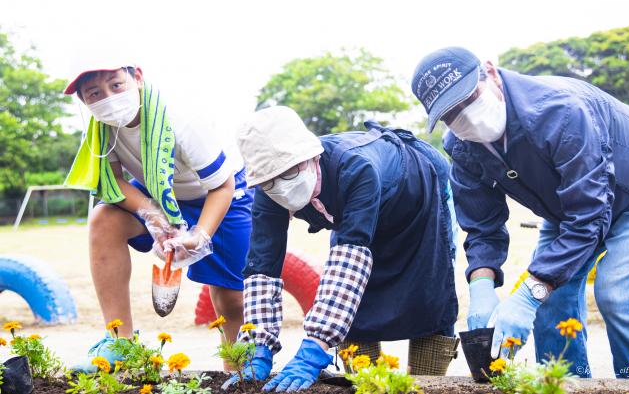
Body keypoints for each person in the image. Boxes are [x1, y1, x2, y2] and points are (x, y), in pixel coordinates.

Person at [411, 46, 629, 379]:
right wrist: (483, 286)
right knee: (550, 298)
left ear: (491, 73)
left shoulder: (560, 111)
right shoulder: (463, 147)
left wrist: (527, 294)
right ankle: (564, 383)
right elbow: (482, 225)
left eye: (469, 98)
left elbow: (589, 216)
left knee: (617, 293)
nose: (465, 116)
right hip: (567, 208)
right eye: (452, 113)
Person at [224, 106, 459, 392]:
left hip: (417, 205)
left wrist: (314, 348)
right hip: (354, 222)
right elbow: (262, 261)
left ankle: (426, 386)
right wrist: (257, 341)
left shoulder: (356, 167)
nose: (281, 187)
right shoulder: (268, 190)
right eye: (271, 180)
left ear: (311, 157)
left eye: (288, 173)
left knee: (428, 298)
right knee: (354, 313)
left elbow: (350, 259)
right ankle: (368, 386)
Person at [63, 61, 253, 372]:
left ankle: (239, 374)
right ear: (83, 101)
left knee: (231, 301)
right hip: (159, 189)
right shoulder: (100, 127)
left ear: (136, 77)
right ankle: (119, 342)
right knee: (103, 220)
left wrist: (200, 235)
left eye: (115, 85)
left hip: (221, 192)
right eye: (94, 93)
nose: (108, 97)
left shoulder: (182, 118)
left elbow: (222, 185)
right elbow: (114, 180)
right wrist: (153, 216)